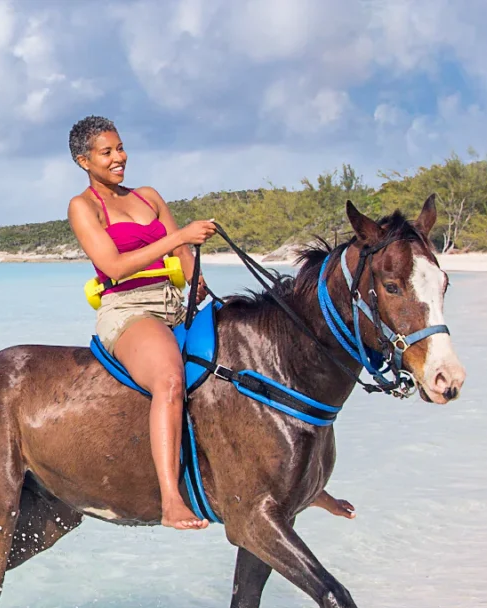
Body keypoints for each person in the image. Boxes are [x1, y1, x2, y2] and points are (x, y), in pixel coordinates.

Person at [64, 117, 353, 526]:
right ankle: (170, 499)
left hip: (174, 306)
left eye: (121, 148)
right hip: (129, 311)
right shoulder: (84, 206)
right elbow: (112, 266)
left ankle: (301, 482)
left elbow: (182, 256)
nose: (119, 157)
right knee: (169, 379)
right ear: (84, 160)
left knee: (249, 364)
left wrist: (195, 276)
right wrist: (178, 238)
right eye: (106, 152)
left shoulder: (148, 197)